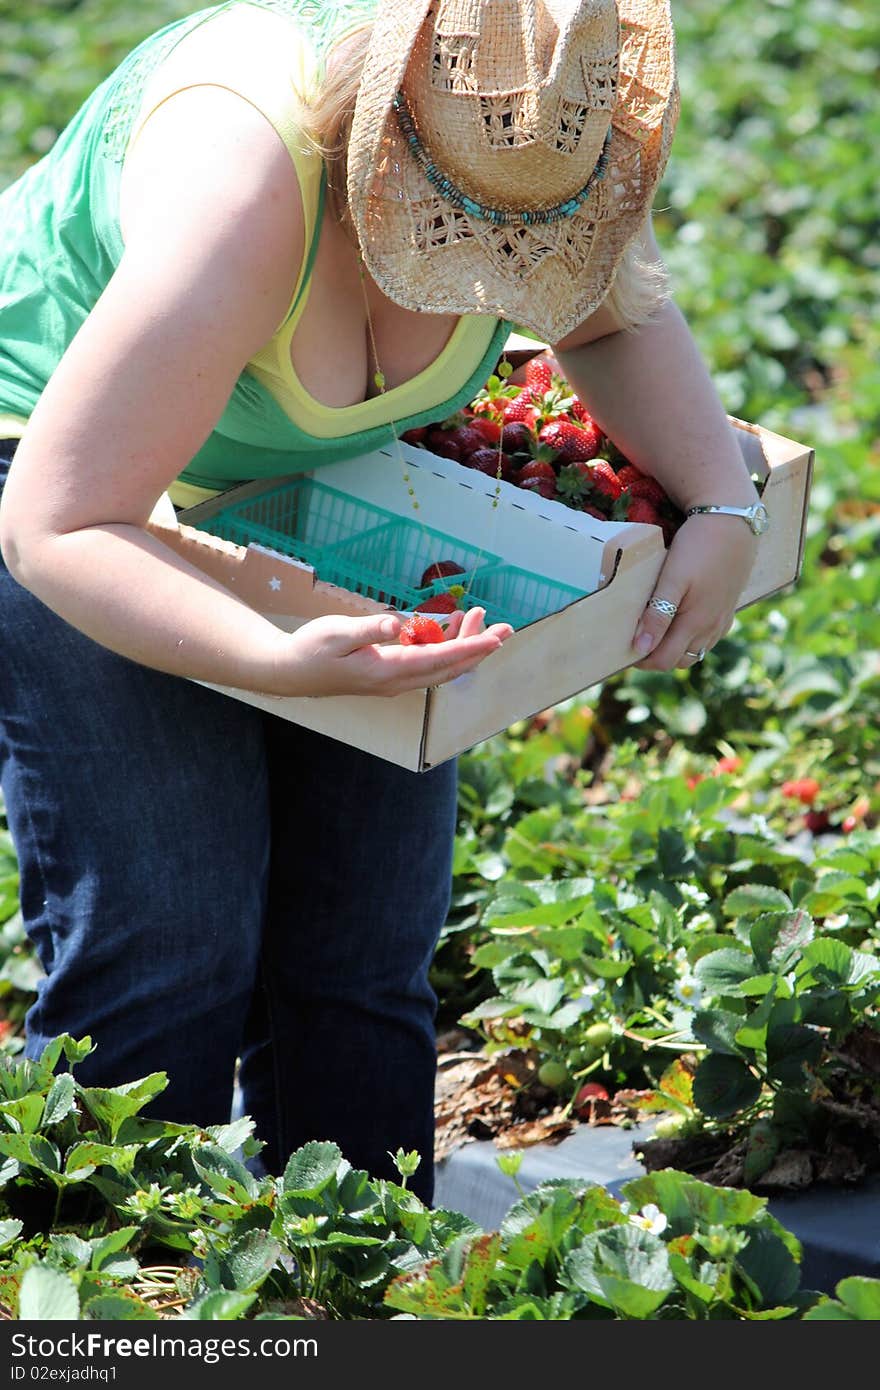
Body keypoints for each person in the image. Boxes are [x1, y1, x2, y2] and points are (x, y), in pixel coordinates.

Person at [0, 0, 766, 1204]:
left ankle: (360, 1291)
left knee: (363, 944)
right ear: (379, 156)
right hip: (84, 479)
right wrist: (272, 653)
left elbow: (611, 314)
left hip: (314, 466)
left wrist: (725, 507)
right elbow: (58, 522)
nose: (501, 264)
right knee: (169, 942)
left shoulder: (536, 132)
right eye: (455, 226)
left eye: (528, 237)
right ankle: (111, 1310)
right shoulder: (242, 190)